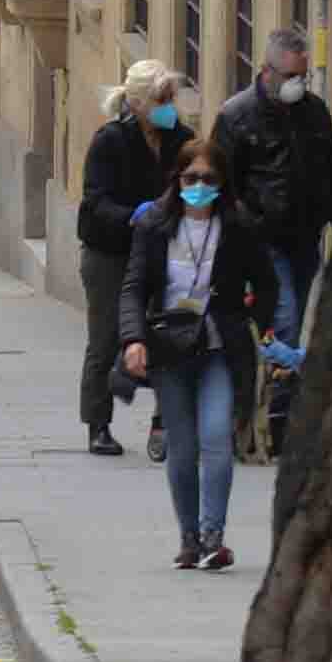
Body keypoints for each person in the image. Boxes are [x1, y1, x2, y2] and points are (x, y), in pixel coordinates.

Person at [120, 131, 280, 570]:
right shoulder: (153, 224)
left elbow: (266, 282)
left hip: (217, 347)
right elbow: (134, 287)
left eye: (208, 177)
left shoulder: (238, 225)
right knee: (183, 447)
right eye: (191, 176)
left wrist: (258, 326)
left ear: (222, 182)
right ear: (177, 179)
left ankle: (214, 537)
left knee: (216, 437)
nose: (199, 185)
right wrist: (133, 339)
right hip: (169, 348)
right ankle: (188, 537)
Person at [216, 27, 332, 348]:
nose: (297, 83)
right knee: (285, 319)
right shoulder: (236, 116)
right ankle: (277, 392)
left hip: (304, 240)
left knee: (290, 320)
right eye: (290, 75)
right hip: (263, 241)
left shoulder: (314, 112)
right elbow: (221, 183)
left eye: (303, 76)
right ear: (267, 71)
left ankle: (272, 383)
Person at [73, 62, 180, 457]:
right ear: (136, 103)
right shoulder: (110, 141)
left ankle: (163, 424)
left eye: (171, 98)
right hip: (109, 252)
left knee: (170, 336)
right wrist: (133, 215)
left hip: (160, 250)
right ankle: (98, 424)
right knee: (104, 340)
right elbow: (94, 200)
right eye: (160, 100)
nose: (169, 107)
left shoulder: (179, 138)